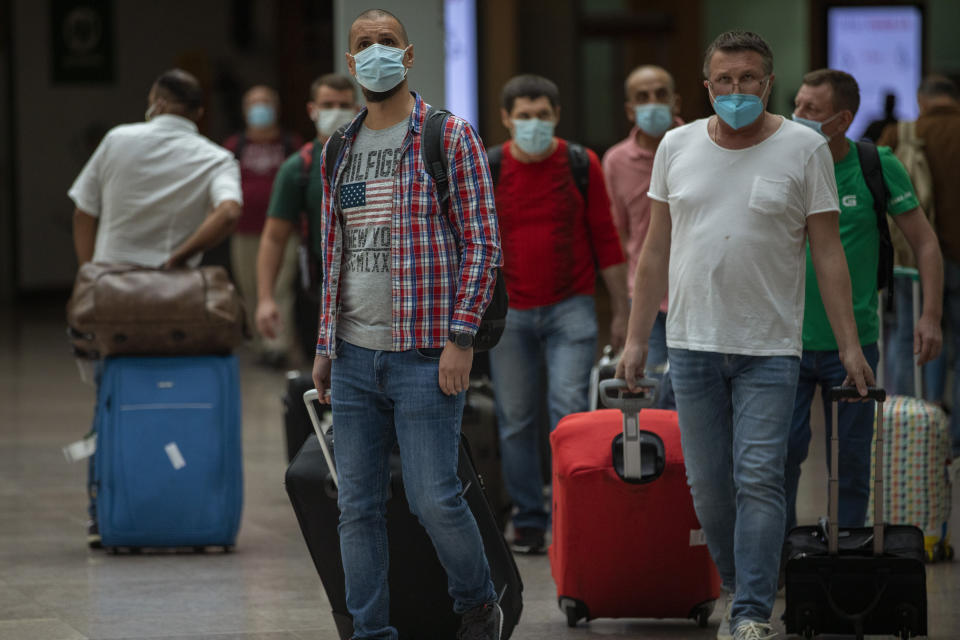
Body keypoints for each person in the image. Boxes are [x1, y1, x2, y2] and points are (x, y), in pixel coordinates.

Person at [616, 31, 873, 640]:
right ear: (707, 87)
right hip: (691, 344)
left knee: (760, 476)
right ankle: (738, 585)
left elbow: (828, 253)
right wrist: (633, 339)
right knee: (709, 486)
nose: (736, 90)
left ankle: (753, 612)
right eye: (724, 80)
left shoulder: (803, 148)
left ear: (768, 82)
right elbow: (654, 251)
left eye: (749, 79)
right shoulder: (677, 146)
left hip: (770, 349)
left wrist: (851, 345)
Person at [310, 9, 503, 640]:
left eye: (385, 43)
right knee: (356, 508)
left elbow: (482, 244)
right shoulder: (339, 148)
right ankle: (370, 632)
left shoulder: (447, 136)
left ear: (410, 55)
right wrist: (324, 347)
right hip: (355, 355)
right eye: (362, 45)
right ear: (350, 60)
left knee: (432, 497)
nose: (374, 53)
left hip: (427, 354)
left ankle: (477, 605)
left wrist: (461, 337)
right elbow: (332, 251)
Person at [69, 69, 243, 546]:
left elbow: (83, 210)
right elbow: (229, 212)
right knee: (176, 397)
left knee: (112, 400)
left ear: (155, 101)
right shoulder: (216, 156)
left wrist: (91, 273)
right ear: (199, 113)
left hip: (113, 297)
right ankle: (185, 504)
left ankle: (105, 513)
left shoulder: (118, 140)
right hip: (178, 300)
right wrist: (182, 255)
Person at [785, 69, 942, 533]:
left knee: (851, 462)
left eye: (810, 110)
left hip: (854, 345)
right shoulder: (783, 162)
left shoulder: (875, 164)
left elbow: (926, 244)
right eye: (795, 106)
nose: (796, 117)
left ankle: (849, 553)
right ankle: (775, 560)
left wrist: (930, 316)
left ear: (842, 118)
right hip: (784, 342)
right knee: (781, 458)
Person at [489, 73, 628, 554]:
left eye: (542, 116)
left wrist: (623, 312)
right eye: (523, 117)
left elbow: (606, 238)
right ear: (506, 119)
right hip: (509, 312)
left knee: (568, 413)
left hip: (571, 307)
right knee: (515, 419)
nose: (533, 124)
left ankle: (572, 512)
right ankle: (529, 519)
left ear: (557, 116)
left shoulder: (579, 163)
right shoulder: (490, 167)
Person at [879, 75, 960, 471]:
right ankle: (954, 440)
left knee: (908, 338)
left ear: (921, 99)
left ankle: (911, 424)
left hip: (911, 258)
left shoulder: (902, 133)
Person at [256, 74, 359, 361]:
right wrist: (265, 299)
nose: (335, 111)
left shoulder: (372, 157)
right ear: (312, 110)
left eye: (343, 104)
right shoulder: (298, 169)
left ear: (356, 110)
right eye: (328, 104)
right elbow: (274, 237)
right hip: (323, 289)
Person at [602, 64, 681, 392]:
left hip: (693, 294)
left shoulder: (700, 146)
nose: (652, 103)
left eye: (660, 95)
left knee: (692, 395)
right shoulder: (616, 161)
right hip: (643, 297)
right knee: (650, 392)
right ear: (630, 109)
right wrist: (621, 307)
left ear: (676, 101)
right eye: (642, 97)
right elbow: (617, 236)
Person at [223, 86, 302, 367]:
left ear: (276, 108)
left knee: (280, 288)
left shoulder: (290, 144)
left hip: (284, 231)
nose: (260, 109)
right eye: (254, 104)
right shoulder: (235, 146)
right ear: (245, 111)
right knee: (250, 289)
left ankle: (276, 347)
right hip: (244, 230)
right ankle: (260, 344)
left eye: (265, 103)